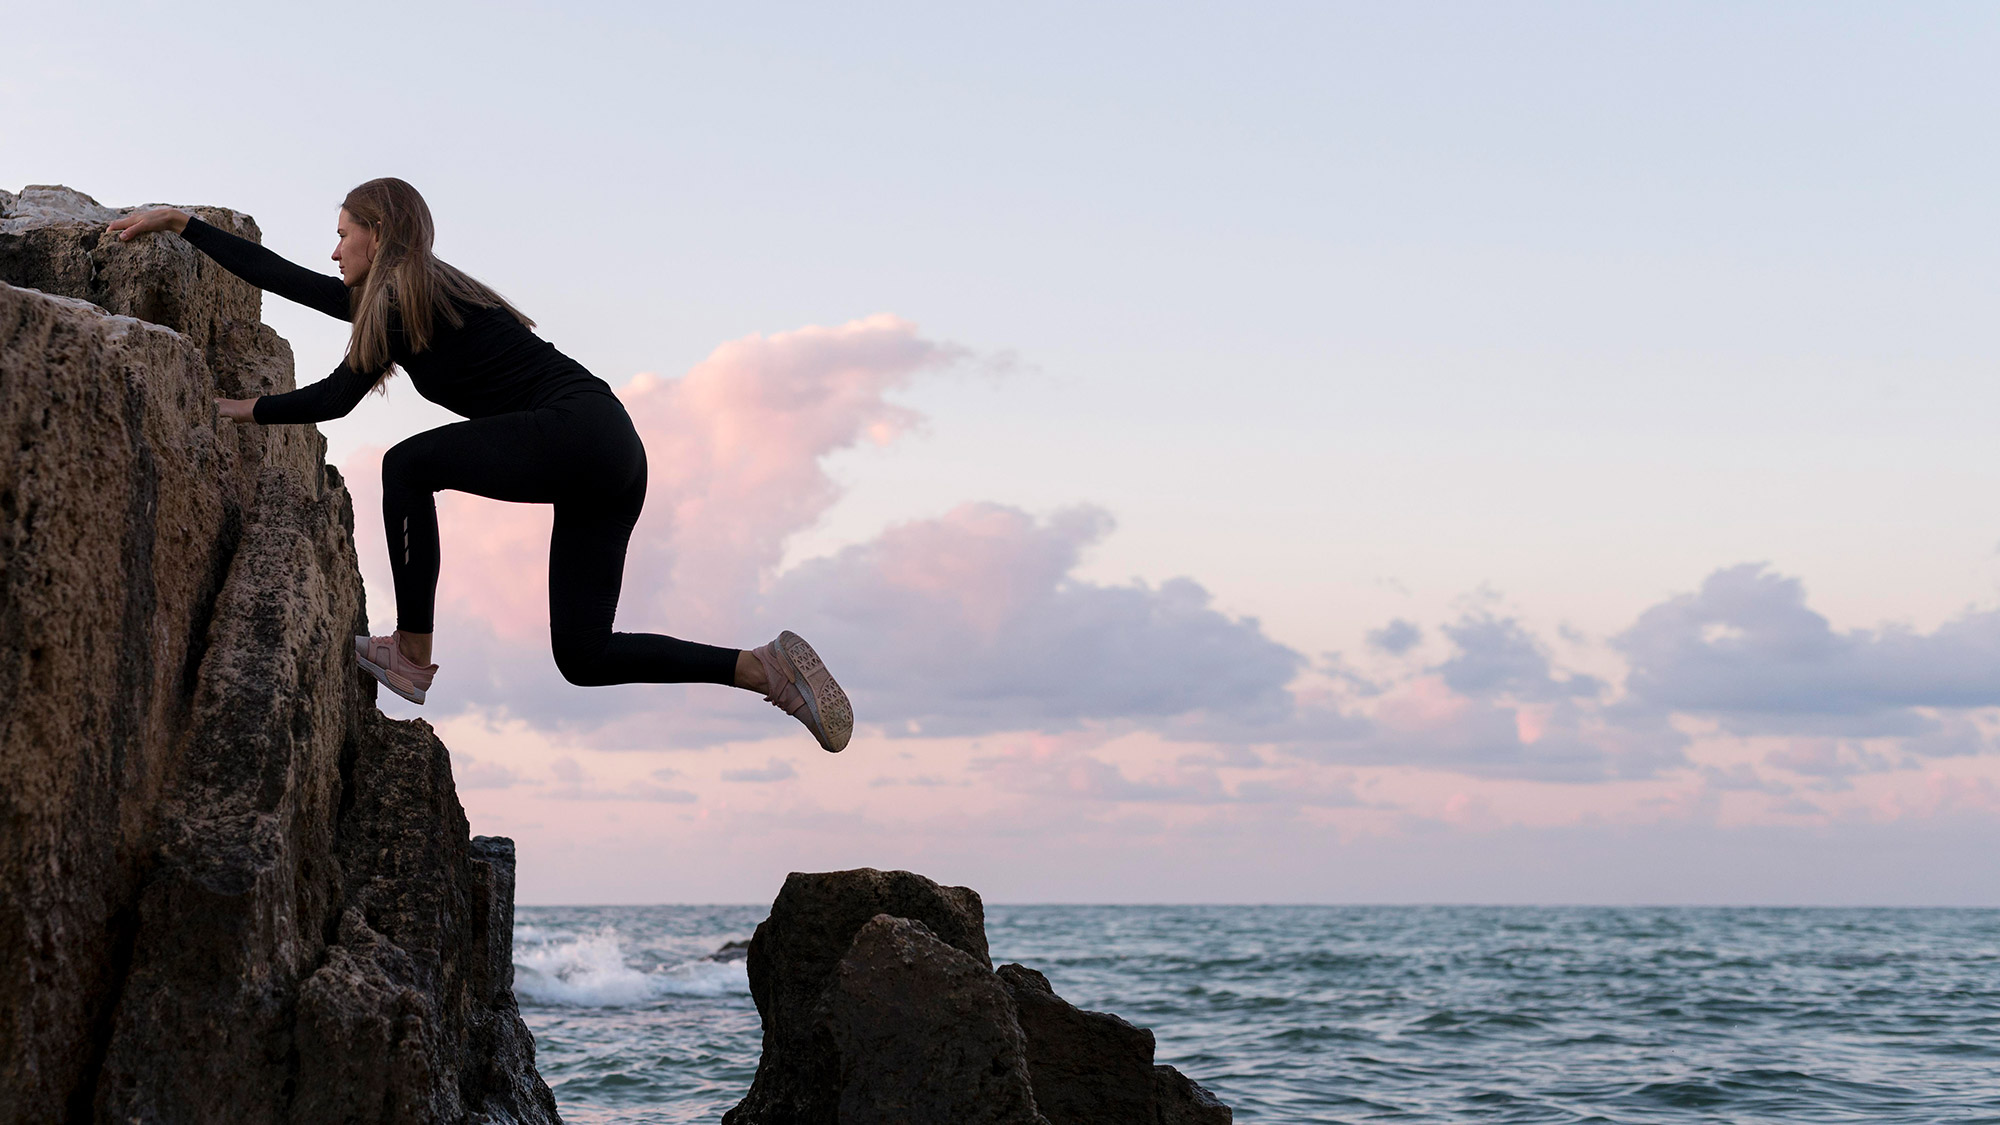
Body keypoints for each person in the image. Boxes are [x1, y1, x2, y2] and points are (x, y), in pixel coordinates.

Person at [108, 179, 852, 752]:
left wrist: (242, 409)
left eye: (342, 235)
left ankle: (411, 650)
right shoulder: (414, 292)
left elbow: (337, 398)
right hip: (611, 450)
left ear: (379, 233)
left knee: (407, 465)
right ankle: (763, 668)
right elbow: (286, 278)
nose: (335, 253)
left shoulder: (404, 294)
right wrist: (182, 224)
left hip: (579, 430)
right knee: (584, 656)